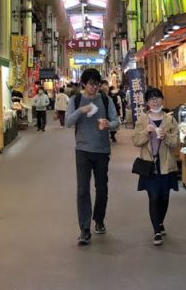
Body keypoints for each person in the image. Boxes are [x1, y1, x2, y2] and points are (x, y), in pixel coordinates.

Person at [65, 68, 119, 246]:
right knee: (82, 190)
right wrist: (81, 110)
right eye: (91, 84)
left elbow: (116, 121)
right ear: (83, 84)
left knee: (101, 188)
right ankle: (84, 229)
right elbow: (68, 122)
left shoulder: (105, 99)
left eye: (96, 84)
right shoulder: (75, 100)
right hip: (82, 150)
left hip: (102, 150)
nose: (94, 88)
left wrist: (108, 124)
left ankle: (99, 219)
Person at [132, 87, 180, 246]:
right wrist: (146, 133)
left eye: (158, 97)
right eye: (151, 99)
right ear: (147, 102)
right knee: (153, 196)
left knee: (164, 197)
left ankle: (160, 221)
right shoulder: (142, 119)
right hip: (149, 164)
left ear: (162, 100)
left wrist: (166, 136)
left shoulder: (170, 120)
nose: (155, 101)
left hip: (166, 164)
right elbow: (136, 141)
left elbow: (175, 142)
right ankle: (157, 231)